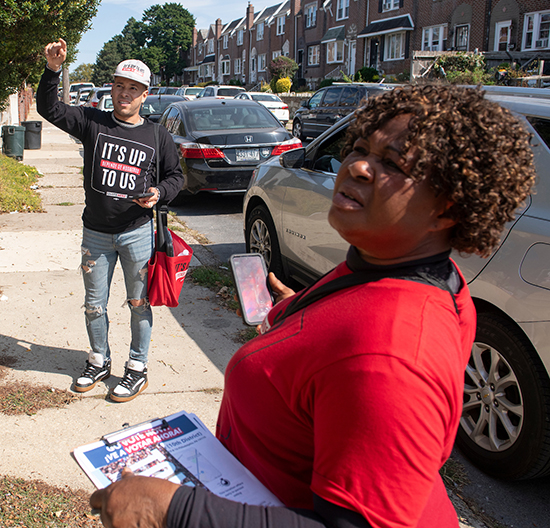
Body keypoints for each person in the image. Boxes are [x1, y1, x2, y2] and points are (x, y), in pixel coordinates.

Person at [89, 85, 536, 527]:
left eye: (394, 164)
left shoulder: (392, 355)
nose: (358, 166)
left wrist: (172, 511)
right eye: (360, 147)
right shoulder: (401, 269)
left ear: (447, 209)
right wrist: (304, 313)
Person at [37, 39, 185, 402]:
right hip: (97, 234)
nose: (124, 93)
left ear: (144, 95)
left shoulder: (156, 134)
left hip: (137, 233)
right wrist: (53, 70)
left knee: (139, 303)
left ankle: (137, 367)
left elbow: (176, 177)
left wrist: (158, 194)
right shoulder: (93, 122)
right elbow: (50, 109)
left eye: (133, 89)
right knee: (94, 304)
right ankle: (99, 359)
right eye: (119, 85)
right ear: (112, 87)